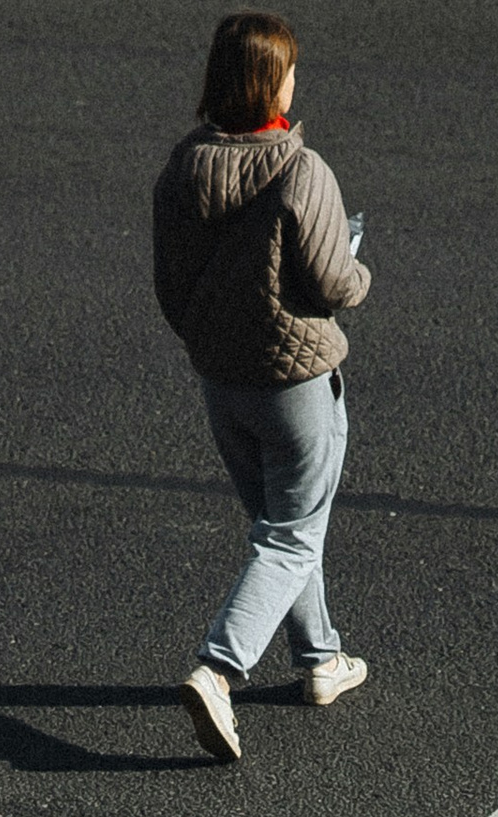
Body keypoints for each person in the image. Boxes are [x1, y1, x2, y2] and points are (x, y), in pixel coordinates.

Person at [154, 11, 372, 764]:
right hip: (297, 384)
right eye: (287, 69)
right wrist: (359, 262)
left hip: (222, 382)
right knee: (291, 534)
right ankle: (219, 670)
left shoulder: (183, 168)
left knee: (278, 527)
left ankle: (320, 662)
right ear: (269, 82)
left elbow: (171, 286)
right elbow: (333, 283)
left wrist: (210, 340)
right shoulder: (300, 170)